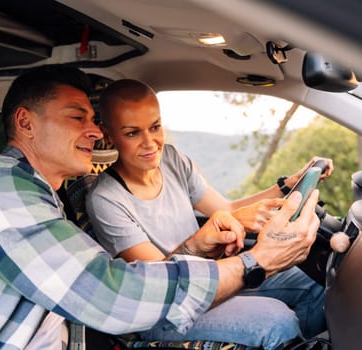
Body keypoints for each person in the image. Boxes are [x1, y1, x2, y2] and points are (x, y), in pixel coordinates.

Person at [0, 65, 321, 350]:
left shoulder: (41, 196)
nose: (94, 132)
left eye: (93, 121)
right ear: (25, 123)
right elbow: (110, 294)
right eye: (78, 117)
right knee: (274, 320)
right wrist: (256, 263)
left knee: (311, 288)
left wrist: (201, 246)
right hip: (135, 316)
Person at [86, 79, 333, 346]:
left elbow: (225, 210)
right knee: (277, 320)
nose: (150, 143)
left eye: (155, 127)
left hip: (213, 278)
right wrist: (206, 241)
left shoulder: (171, 159)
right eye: (132, 133)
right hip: (165, 310)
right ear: (108, 134)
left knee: (315, 283)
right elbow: (156, 287)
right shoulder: (106, 199)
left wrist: (286, 185)